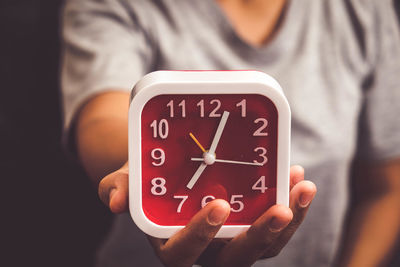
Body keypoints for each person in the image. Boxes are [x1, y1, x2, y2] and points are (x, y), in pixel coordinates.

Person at [61, 0, 400, 266]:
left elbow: (387, 187)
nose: (209, 158)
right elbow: (102, 119)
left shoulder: (361, 8)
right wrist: (138, 167)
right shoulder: (113, 4)